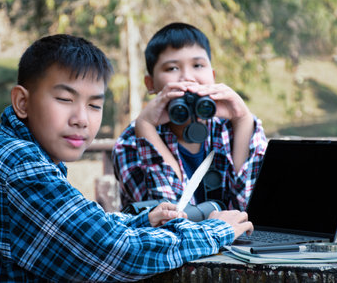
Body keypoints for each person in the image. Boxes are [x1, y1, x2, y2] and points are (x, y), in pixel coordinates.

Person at [0, 34, 253, 282]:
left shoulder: (11, 148)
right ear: (22, 102)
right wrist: (217, 230)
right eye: (65, 99)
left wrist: (142, 221)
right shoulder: (18, 162)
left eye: (94, 105)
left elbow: (86, 227)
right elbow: (115, 253)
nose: (81, 119)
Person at [113, 22, 268, 211]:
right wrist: (145, 125)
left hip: (235, 240)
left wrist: (242, 119)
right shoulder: (131, 142)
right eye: (172, 68)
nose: (187, 77)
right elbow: (171, 217)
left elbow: (250, 207)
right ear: (150, 83)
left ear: (212, 76)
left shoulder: (228, 127)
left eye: (197, 65)